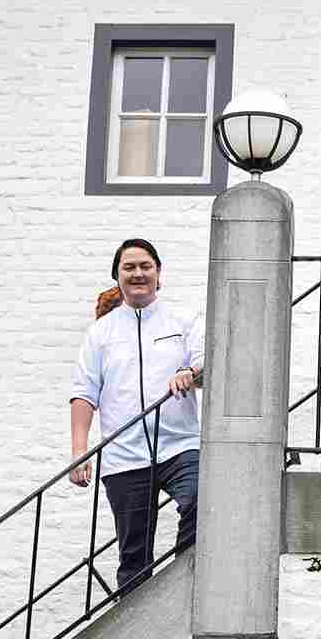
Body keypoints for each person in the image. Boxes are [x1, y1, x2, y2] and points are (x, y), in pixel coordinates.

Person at [69, 238, 204, 594]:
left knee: (201, 500)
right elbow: (84, 392)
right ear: (117, 276)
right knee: (133, 553)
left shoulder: (184, 320)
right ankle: (133, 628)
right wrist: (79, 451)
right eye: (129, 267)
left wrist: (191, 371)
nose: (138, 273)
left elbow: (207, 361)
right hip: (124, 455)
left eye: (146, 266)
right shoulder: (101, 333)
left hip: (181, 446)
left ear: (159, 273)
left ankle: (182, 587)